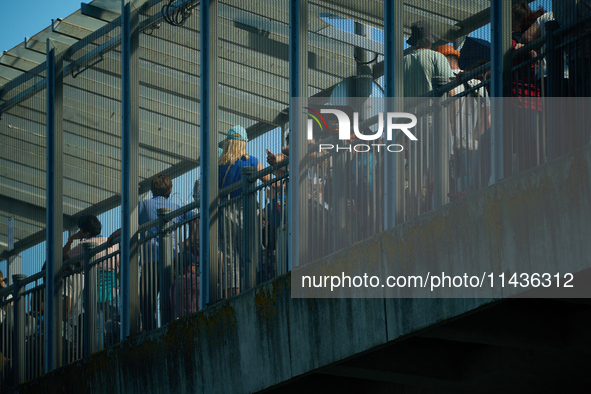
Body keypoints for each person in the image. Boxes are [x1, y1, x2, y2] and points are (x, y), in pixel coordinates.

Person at [218, 125, 271, 295]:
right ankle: (251, 288)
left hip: (225, 211)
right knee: (250, 250)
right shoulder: (252, 161)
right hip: (247, 210)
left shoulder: (218, 165)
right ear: (243, 143)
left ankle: (233, 292)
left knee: (229, 254)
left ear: (228, 143)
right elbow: (271, 182)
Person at [435, 45, 490, 194]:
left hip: (449, 145)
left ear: (442, 61)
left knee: (449, 187)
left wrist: (452, 137)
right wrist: (479, 138)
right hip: (473, 144)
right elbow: (487, 116)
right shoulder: (477, 82)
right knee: (470, 184)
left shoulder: (443, 82)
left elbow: (451, 110)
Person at [403, 21, 455, 97]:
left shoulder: (401, 62)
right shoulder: (437, 57)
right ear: (430, 40)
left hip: (408, 108)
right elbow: (450, 90)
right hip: (434, 107)